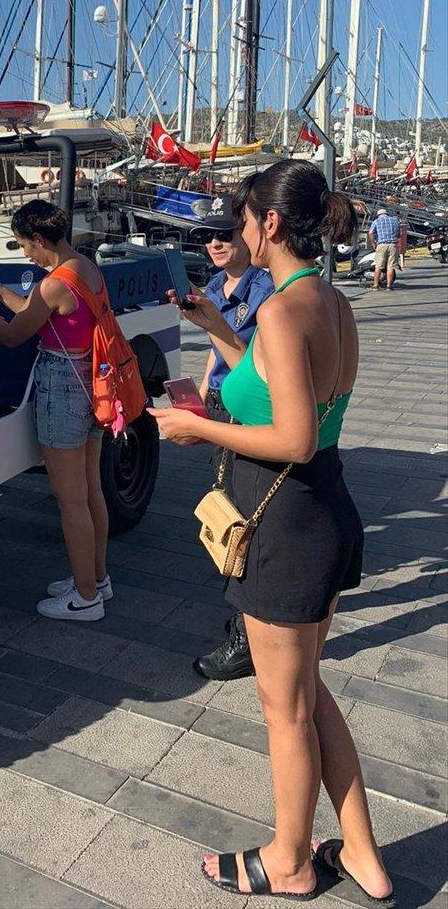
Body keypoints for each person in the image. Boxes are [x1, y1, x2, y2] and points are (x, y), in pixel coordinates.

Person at [151, 160, 393, 905]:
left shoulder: (284, 311)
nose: (238, 232)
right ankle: (361, 851)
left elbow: (292, 436)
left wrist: (195, 427)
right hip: (325, 509)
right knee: (306, 693)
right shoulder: (329, 301)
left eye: (243, 220)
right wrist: (218, 332)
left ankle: (289, 861)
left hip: (284, 524)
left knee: (283, 709)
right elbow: (283, 392)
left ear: (272, 224)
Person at [0, 200, 109, 622]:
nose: (25, 254)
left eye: (24, 245)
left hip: (62, 386)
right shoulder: (85, 268)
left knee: (70, 500)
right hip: (92, 384)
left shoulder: (54, 283)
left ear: (39, 239)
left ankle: (85, 599)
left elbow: (12, 335)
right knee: (91, 491)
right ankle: (96, 579)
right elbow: (36, 311)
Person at [189, 195, 274, 682]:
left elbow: (256, 363)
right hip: (224, 400)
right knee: (223, 509)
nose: (215, 243)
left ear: (247, 232)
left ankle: (247, 637)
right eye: (206, 236)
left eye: (224, 233)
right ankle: (246, 617)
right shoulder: (215, 285)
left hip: (250, 407)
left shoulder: (266, 291)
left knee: (244, 519)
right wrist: (203, 390)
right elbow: (216, 349)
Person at [368, 208, 400, 290]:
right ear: (387, 214)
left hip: (381, 245)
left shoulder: (376, 221)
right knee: (391, 267)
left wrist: (373, 243)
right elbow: (399, 234)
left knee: (378, 266)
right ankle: (389, 286)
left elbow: (370, 232)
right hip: (393, 245)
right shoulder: (394, 221)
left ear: (378, 215)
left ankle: (375, 285)